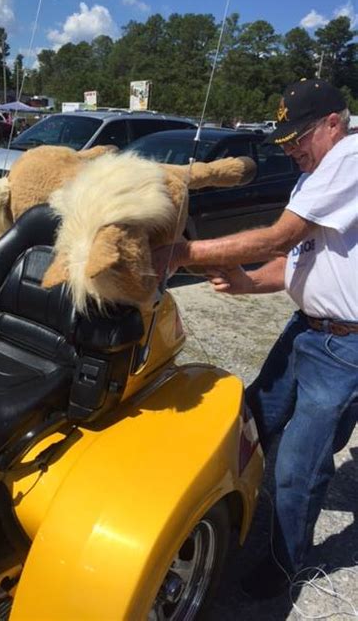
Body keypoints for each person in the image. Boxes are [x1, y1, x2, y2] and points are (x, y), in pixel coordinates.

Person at [153, 78, 358, 599]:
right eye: (285, 143)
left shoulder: (349, 158)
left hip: (343, 349)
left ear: (334, 123)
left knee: (299, 467)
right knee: (253, 416)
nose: (291, 151)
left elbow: (278, 237)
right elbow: (298, 259)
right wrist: (248, 281)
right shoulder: (321, 169)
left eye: (298, 140)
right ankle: (227, 514)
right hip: (307, 331)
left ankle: (284, 564)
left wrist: (178, 256)